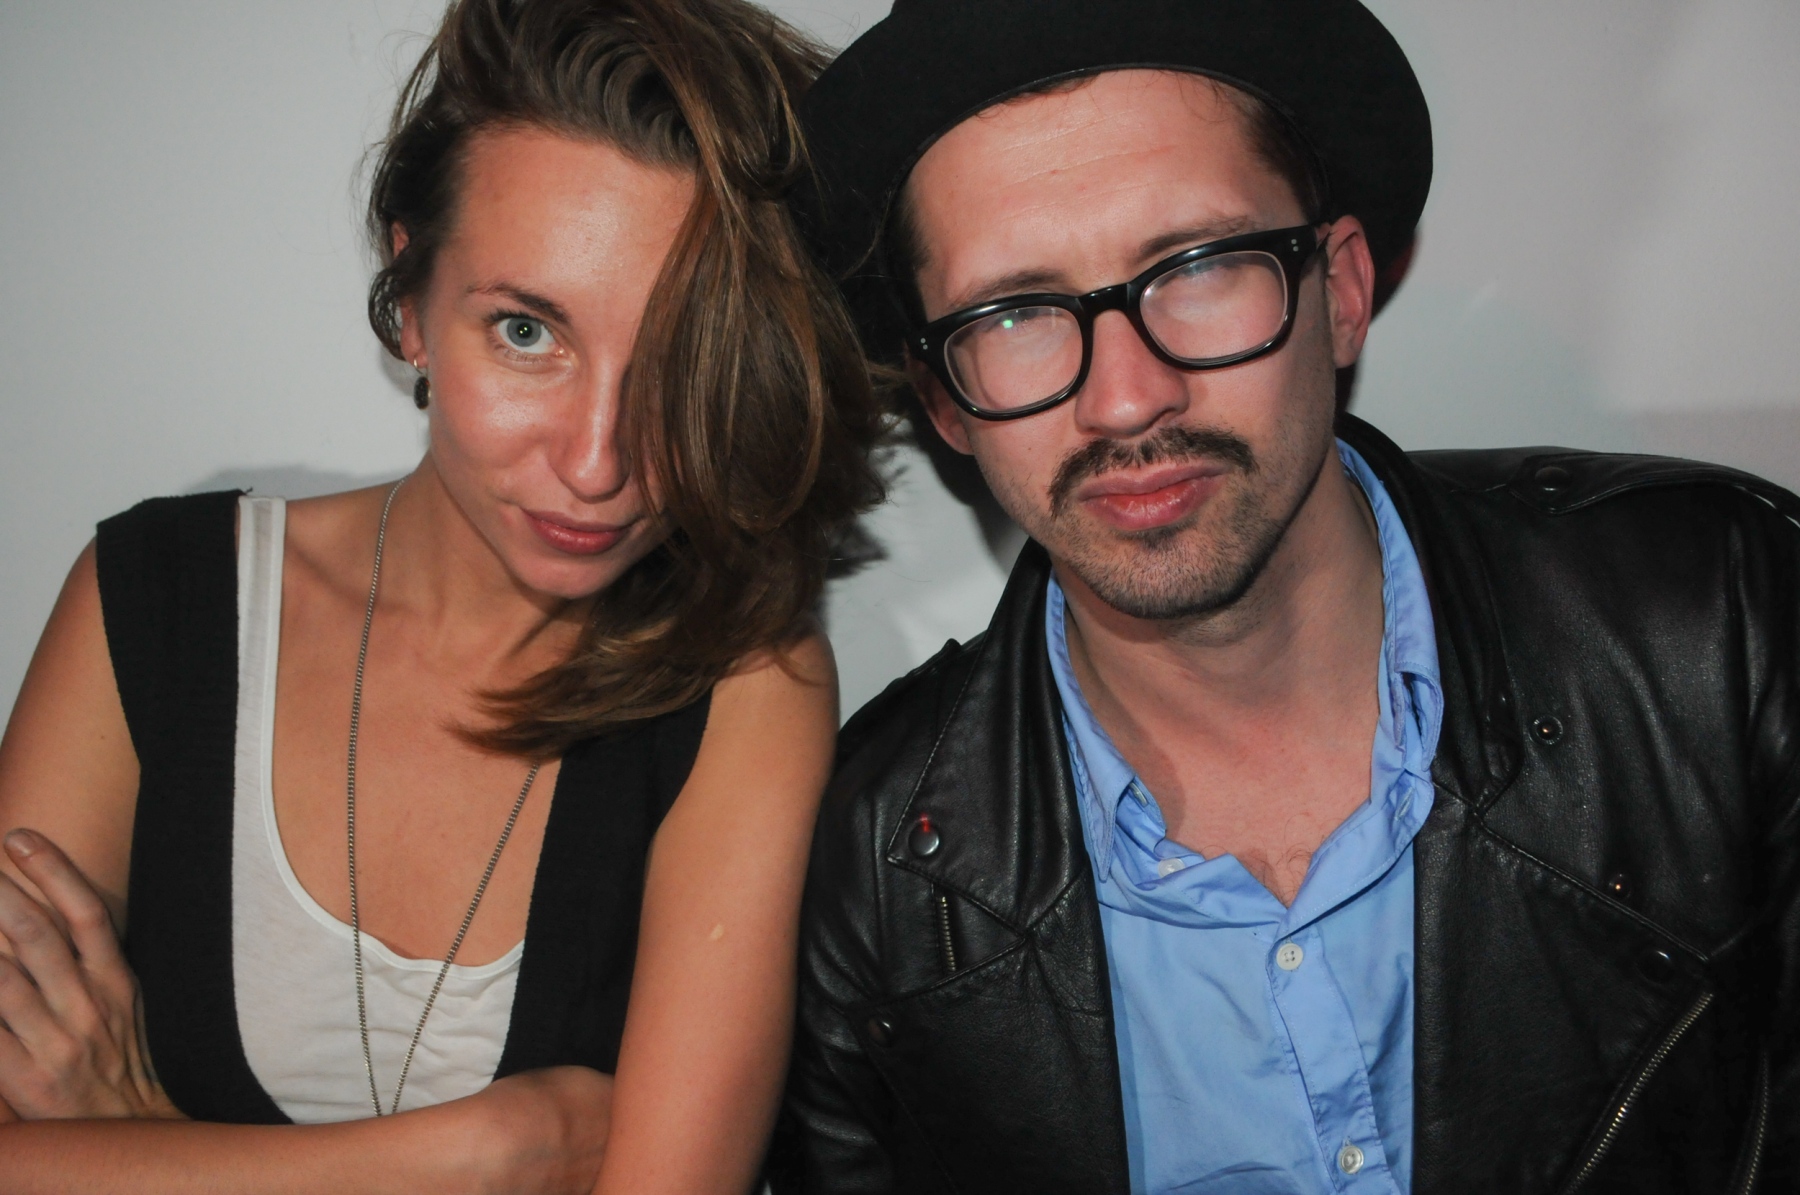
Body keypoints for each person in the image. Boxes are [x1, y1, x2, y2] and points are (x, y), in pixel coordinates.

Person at [773, 1, 1799, 1192]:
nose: (1126, 398)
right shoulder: (866, 876)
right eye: (1015, 314)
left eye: (1197, 268)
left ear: (1343, 290)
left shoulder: (1723, 624)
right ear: (944, 400)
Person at [0, 0, 882, 1190]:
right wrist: (487, 1152)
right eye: (526, 331)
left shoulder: (747, 680)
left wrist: (136, 1135)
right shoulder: (154, 601)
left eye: (681, 361)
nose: (598, 461)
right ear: (411, 300)